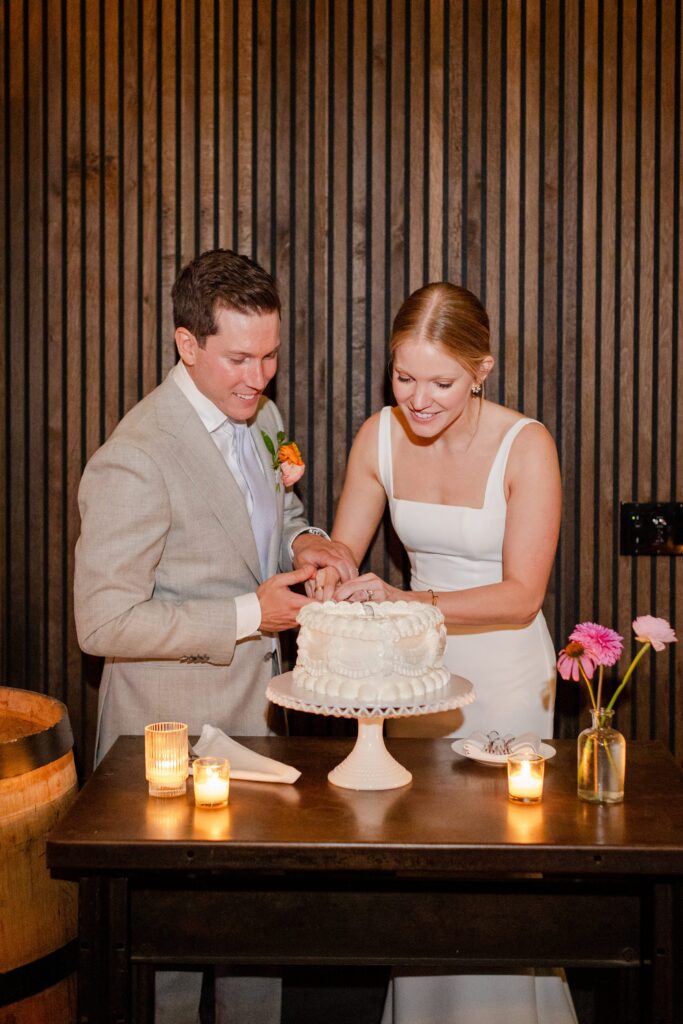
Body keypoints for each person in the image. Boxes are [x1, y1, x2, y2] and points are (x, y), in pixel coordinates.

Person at [73, 247, 358, 1024]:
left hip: (259, 728)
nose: (258, 378)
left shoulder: (260, 416)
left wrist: (308, 543)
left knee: (253, 937)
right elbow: (101, 624)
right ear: (186, 343)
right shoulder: (134, 457)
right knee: (166, 962)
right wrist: (248, 616)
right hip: (167, 751)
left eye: (269, 357)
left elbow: (275, 521)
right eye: (238, 358)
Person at [327, 283, 577, 1023]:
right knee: (422, 868)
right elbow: (345, 548)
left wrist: (407, 603)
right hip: (416, 681)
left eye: (440, 382)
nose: (419, 399)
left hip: (504, 674)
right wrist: (324, 561)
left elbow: (521, 595)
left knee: (498, 874)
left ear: (482, 369)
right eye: (404, 378)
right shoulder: (377, 436)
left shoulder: (525, 444)